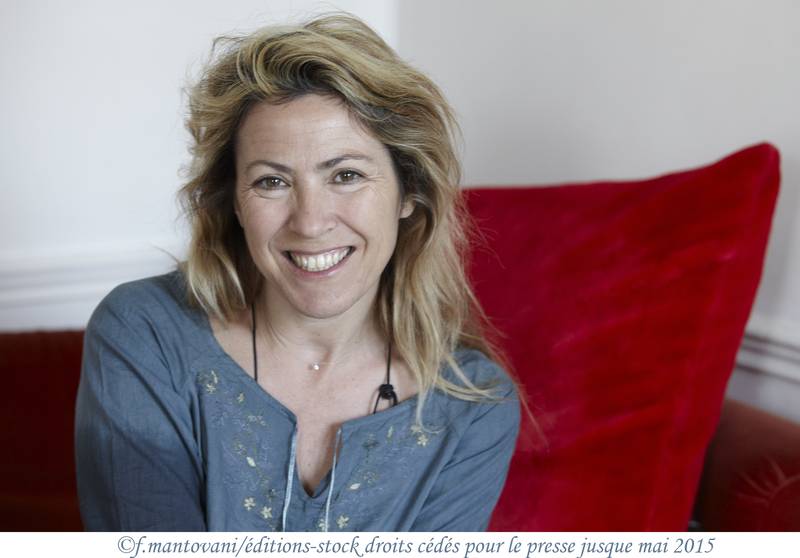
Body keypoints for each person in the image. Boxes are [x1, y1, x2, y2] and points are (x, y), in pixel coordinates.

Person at [74, 12, 520, 532]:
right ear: (234, 202)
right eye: (272, 182)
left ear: (409, 192)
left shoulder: (472, 408)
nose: (310, 223)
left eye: (346, 175)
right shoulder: (145, 333)